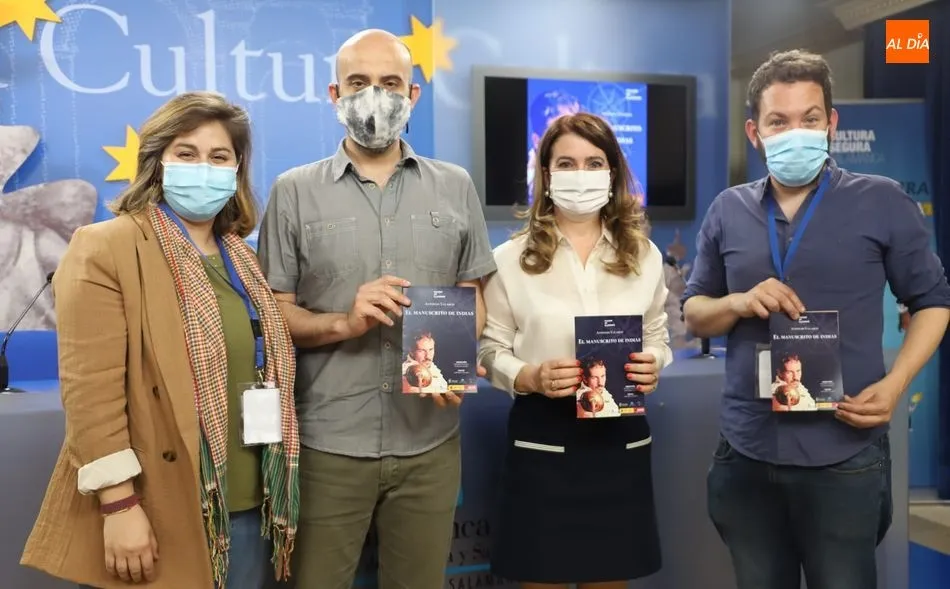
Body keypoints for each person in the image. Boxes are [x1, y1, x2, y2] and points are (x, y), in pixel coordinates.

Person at [683, 49, 950, 589]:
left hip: (844, 452)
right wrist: (735, 303)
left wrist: (897, 384)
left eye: (809, 118)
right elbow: (695, 312)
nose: (796, 132)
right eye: (779, 121)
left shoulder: (882, 201)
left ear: (831, 123)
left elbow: (933, 302)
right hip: (747, 451)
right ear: (755, 133)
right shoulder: (726, 210)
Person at [19, 92, 300, 589]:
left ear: (236, 170)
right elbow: (91, 393)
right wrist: (120, 505)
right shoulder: (106, 246)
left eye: (219, 157)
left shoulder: (243, 259)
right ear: (157, 163)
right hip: (159, 503)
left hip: (251, 503)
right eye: (186, 153)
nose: (203, 167)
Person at [256, 29, 495, 589]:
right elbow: (274, 313)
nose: (375, 96)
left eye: (390, 83)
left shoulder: (455, 186)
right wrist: (345, 321)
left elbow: (474, 291)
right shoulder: (293, 192)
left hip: (430, 442)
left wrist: (459, 358)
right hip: (328, 444)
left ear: (412, 95)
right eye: (359, 83)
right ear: (334, 93)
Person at [479, 112, 672, 589]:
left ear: (612, 173)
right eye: (566, 162)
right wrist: (529, 377)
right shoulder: (509, 260)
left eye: (594, 162)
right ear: (546, 174)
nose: (580, 174)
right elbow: (488, 348)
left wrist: (655, 364)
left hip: (618, 442)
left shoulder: (644, 255)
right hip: (543, 442)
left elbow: (659, 334)